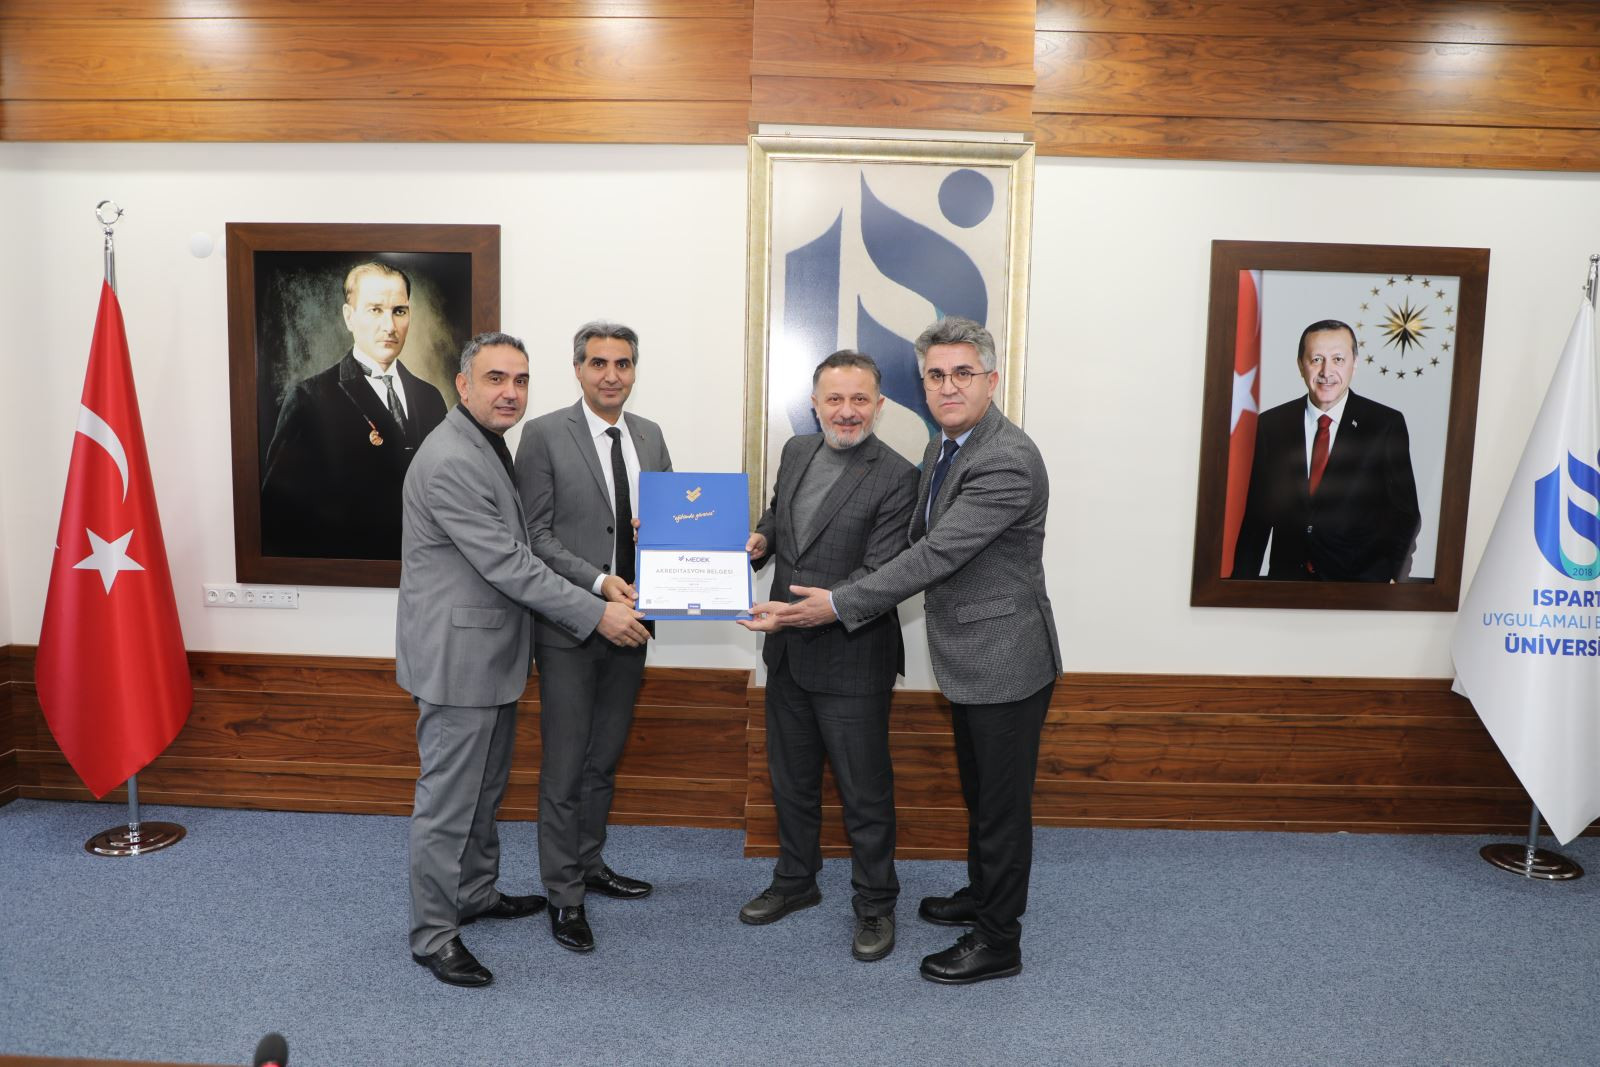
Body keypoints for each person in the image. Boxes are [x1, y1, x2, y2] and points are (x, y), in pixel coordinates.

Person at [747, 316, 1061, 985]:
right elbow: (785, 519)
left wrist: (836, 603)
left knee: (1001, 808)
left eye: (962, 373)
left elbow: (933, 554)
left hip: (1004, 656)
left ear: (991, 380)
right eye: (936, 375)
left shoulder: (1004, 458)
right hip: (967, 655)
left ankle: (998, 940)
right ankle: (982, 896)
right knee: (982, 795)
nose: (948, 386)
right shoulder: (948, 447)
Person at [397, 331, 649, 987]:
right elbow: (511, 564)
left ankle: (475, 893)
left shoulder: (486, 443)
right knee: (448, 805)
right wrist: (596, 610)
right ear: (463, 385)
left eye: (520, 379)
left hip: (492, 654)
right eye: (495, 379)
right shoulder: (451, 459)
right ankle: (433, 934)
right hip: (459, 660)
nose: (510, 392)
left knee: (483, 792)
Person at [736, 350, 917, 962]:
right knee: (791, 783)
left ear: (879, 406)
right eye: (834, 399)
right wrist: (761, 540)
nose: (846, 411)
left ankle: (875, 903)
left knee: (865, 795)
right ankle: (796, 880)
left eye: (859, 399)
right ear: (814, 404)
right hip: (787, 654)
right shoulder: (795, 452)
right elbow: (779, 518)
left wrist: (824, 608)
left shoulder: (898, 477)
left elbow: (882, 571)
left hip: (852, 658)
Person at [513, 321, 671, 954]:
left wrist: (683, 546)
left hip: (634, 625)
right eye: (599, 363)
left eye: (623, 363)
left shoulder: (650, 435)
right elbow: (535, 536)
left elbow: (673, 524)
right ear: (578, 369)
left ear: (635, 370)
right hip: (570, 627)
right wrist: (601, 583)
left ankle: (589, 862)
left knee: (603, 757)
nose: (611, 375)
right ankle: (563, 893)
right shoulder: (544, 434)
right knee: (566, 764)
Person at [261, 261, 448, 560]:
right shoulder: (309, 398)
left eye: (399, 311)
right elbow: (280, 517)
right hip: (348, 572)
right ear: (349, 317)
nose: (389, 326)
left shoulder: (430, 398)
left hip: (425, 568)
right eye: (375, 310)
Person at [1231, 319, 1421, 581]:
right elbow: (1257, 517)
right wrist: (1241, 587)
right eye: (1316, 359)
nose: (1326, 371)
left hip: (1360, 587)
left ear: (1354, 363)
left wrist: (1393, 579)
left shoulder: (1385, 425)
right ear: (1301, 365)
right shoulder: (1271, 425)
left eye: (1338, 359)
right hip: (1287, 585)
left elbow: (1405, 514)